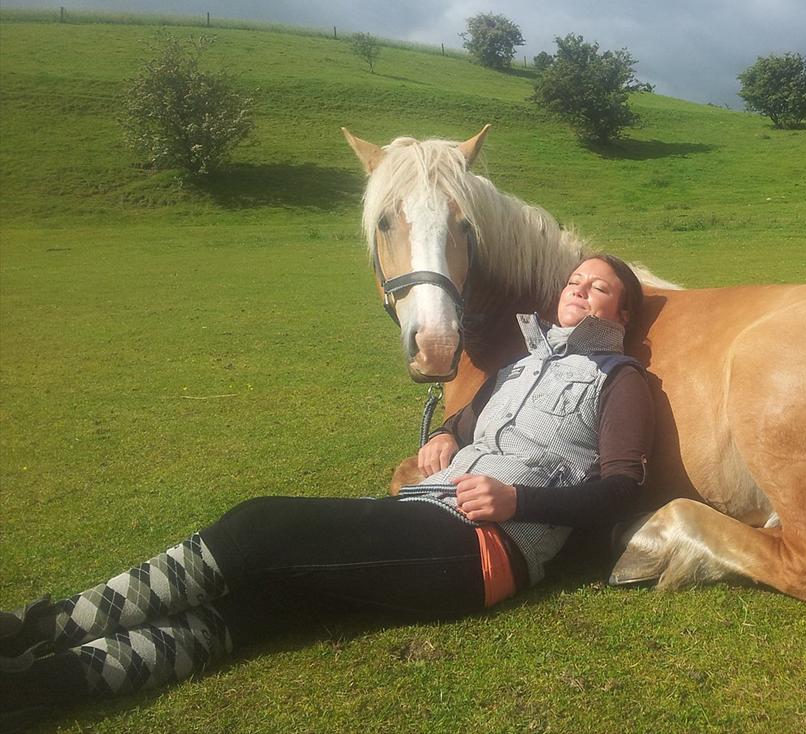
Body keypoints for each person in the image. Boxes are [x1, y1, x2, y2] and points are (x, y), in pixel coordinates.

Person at [0, 255, 654, 712]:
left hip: (484, 545)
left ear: (621, 313)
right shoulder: (523, 363)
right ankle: (43, 686)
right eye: (574, 281)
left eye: (597, 287)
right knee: (256, 604)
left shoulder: (620, 379)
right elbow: (469, 416)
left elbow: (621, 489)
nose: (578, 290)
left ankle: (41, 627)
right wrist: (449, 434)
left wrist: (523, 501)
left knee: (261, 527)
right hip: (428, 516)